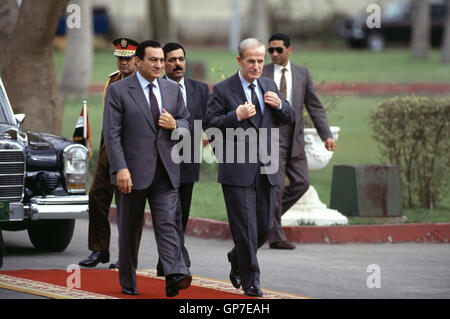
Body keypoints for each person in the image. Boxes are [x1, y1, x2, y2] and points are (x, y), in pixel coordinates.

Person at [204, 38, 295, 297]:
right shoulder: (223, 90)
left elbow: (290, 117)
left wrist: (280, 104)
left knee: (265, 228)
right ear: (239, 61)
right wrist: (236, 116)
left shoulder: (269, 85)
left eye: (260, 61)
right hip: (237, 170)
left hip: (267, 168)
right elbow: (209, 125)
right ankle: (251, 282)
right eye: (251, 61)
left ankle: (237, 256)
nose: (256, 66)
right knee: (245, 228)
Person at [103, 40, 192, 297]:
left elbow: (187, 121)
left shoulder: (172, 89)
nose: (159, 65)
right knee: (130, 231)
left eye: (162, 60)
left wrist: (175, 124)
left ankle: (175, 273)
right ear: (138, 61)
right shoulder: (119, 91)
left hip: (165, 171)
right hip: (130, 174)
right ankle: (128, 281)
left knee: (167, 223)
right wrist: (120, 168)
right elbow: (112, 134)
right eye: (153, 60)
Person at [262, 32, 336, 250]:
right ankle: (276, 235)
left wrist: (326, 135)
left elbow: (314, 105)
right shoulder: (262, 72)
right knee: (275, 187)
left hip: (294, 137)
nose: (274, 54)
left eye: (278, 50)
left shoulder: (302, 73)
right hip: (271, 138)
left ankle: (264, 220)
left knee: (301, 182)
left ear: (289, 50)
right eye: (271, 50)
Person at [79, 38, 139, 269]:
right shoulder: (112, 80)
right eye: (120, 58)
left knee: (129, 207)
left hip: (133, 147)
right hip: (110, 145)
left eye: (128, 59)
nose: (123, 63)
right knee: (97, 197)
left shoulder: (143, 82)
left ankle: (126, 256)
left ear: (136, 60)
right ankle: (99, 249)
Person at [155, 42, 210, 276]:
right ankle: (179, 258)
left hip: (189, 159)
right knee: (171, 212)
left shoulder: (200, 89)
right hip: (162, 160)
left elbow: (208, 121)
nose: (178, 64)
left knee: (182, 212)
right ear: (163, 63)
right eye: (172, 60)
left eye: (181, 59)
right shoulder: (156, 89)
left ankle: (166, 261)